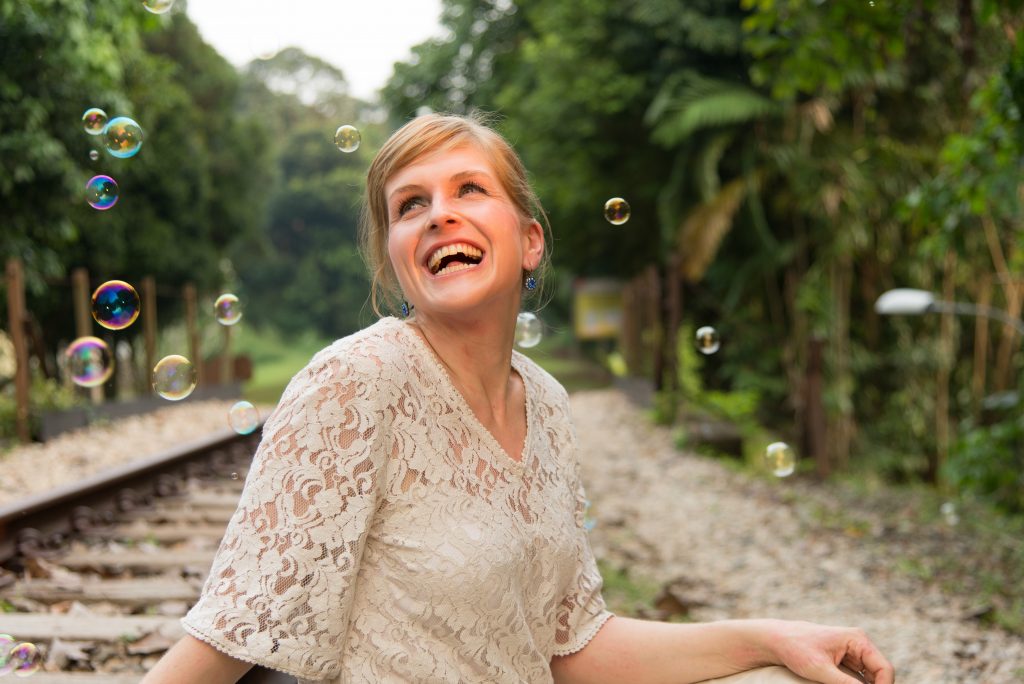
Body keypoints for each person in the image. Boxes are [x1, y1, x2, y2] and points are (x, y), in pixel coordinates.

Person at [141, 112, 895, 684]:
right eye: (409, 206)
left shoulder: (550, 405)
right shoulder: (356, 383)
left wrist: (770, 641)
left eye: (470, 189)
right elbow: (226, 644)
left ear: (529, 241)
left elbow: (570, 643)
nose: (439, 213)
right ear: (396, 265)